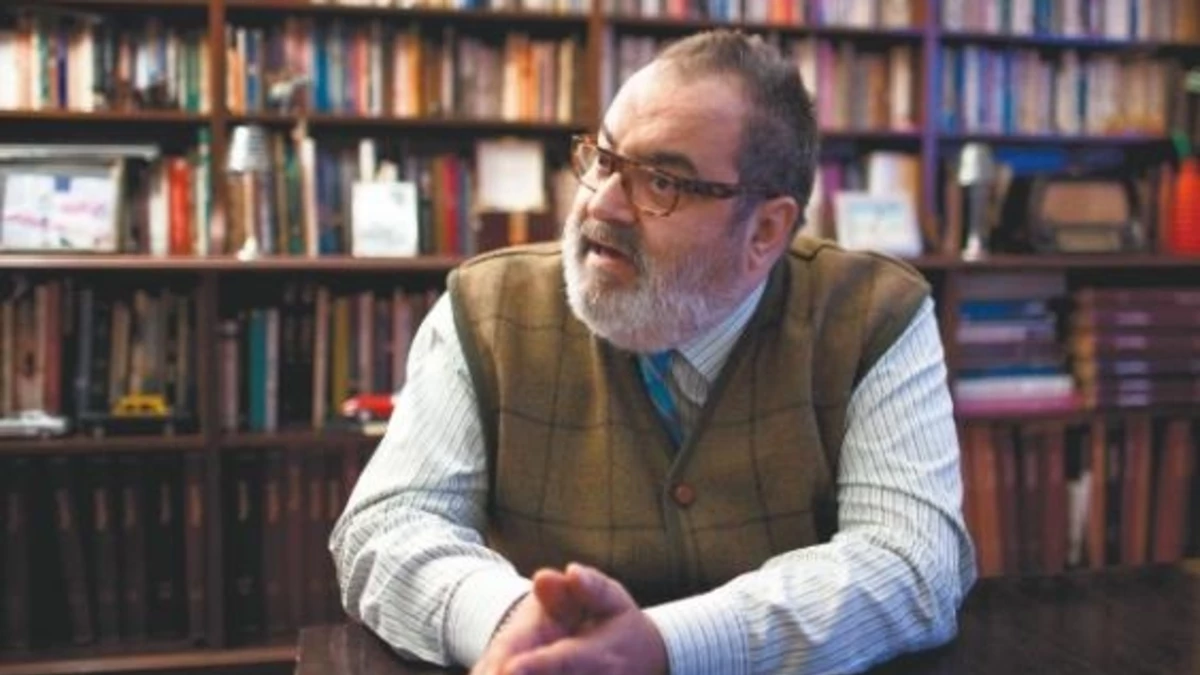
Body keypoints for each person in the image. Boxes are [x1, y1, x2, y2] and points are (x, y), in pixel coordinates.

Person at [331, 29, 976, 675]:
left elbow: (911, 562)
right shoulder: (486, 306)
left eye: (662, 182)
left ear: (765, 230)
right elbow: (387, 527)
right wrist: (517, 622)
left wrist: (665, 644)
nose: (602, 203)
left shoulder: (872, 315)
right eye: (604, 158)